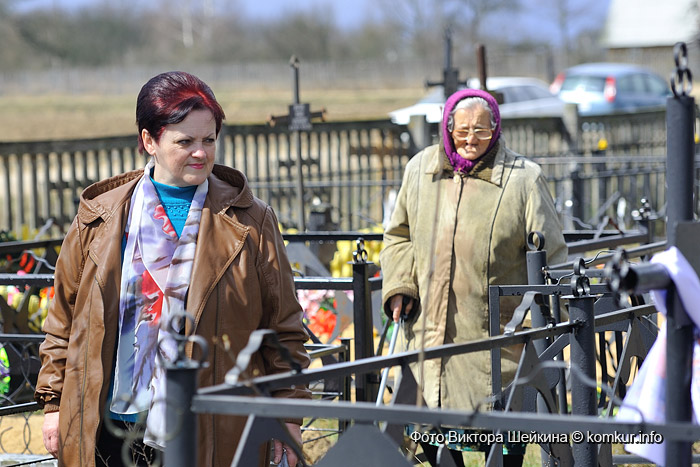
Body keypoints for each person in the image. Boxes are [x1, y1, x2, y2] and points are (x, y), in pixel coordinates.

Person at [35, 71, 310, 467]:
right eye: (185, 141)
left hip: (209, 430)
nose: (201, 153)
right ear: (149, 140)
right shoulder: (101, 216)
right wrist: (52, 403)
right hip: (109, 425)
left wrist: (288, 414)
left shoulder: (250, 221)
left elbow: (282, 327)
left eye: (209, 140)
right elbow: (62, 321)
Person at [380, 88, 567, 466]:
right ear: (447, 127)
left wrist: (538, 318)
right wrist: (401, 285)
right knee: (433, 436)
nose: (470, 139)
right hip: (429, 332)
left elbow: (553, 257)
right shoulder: (420, 170)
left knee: (500, 442)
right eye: (461, 130)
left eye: (481, 131)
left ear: (496, 129)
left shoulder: (524, 180)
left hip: (498, 336)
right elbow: (398, 236)